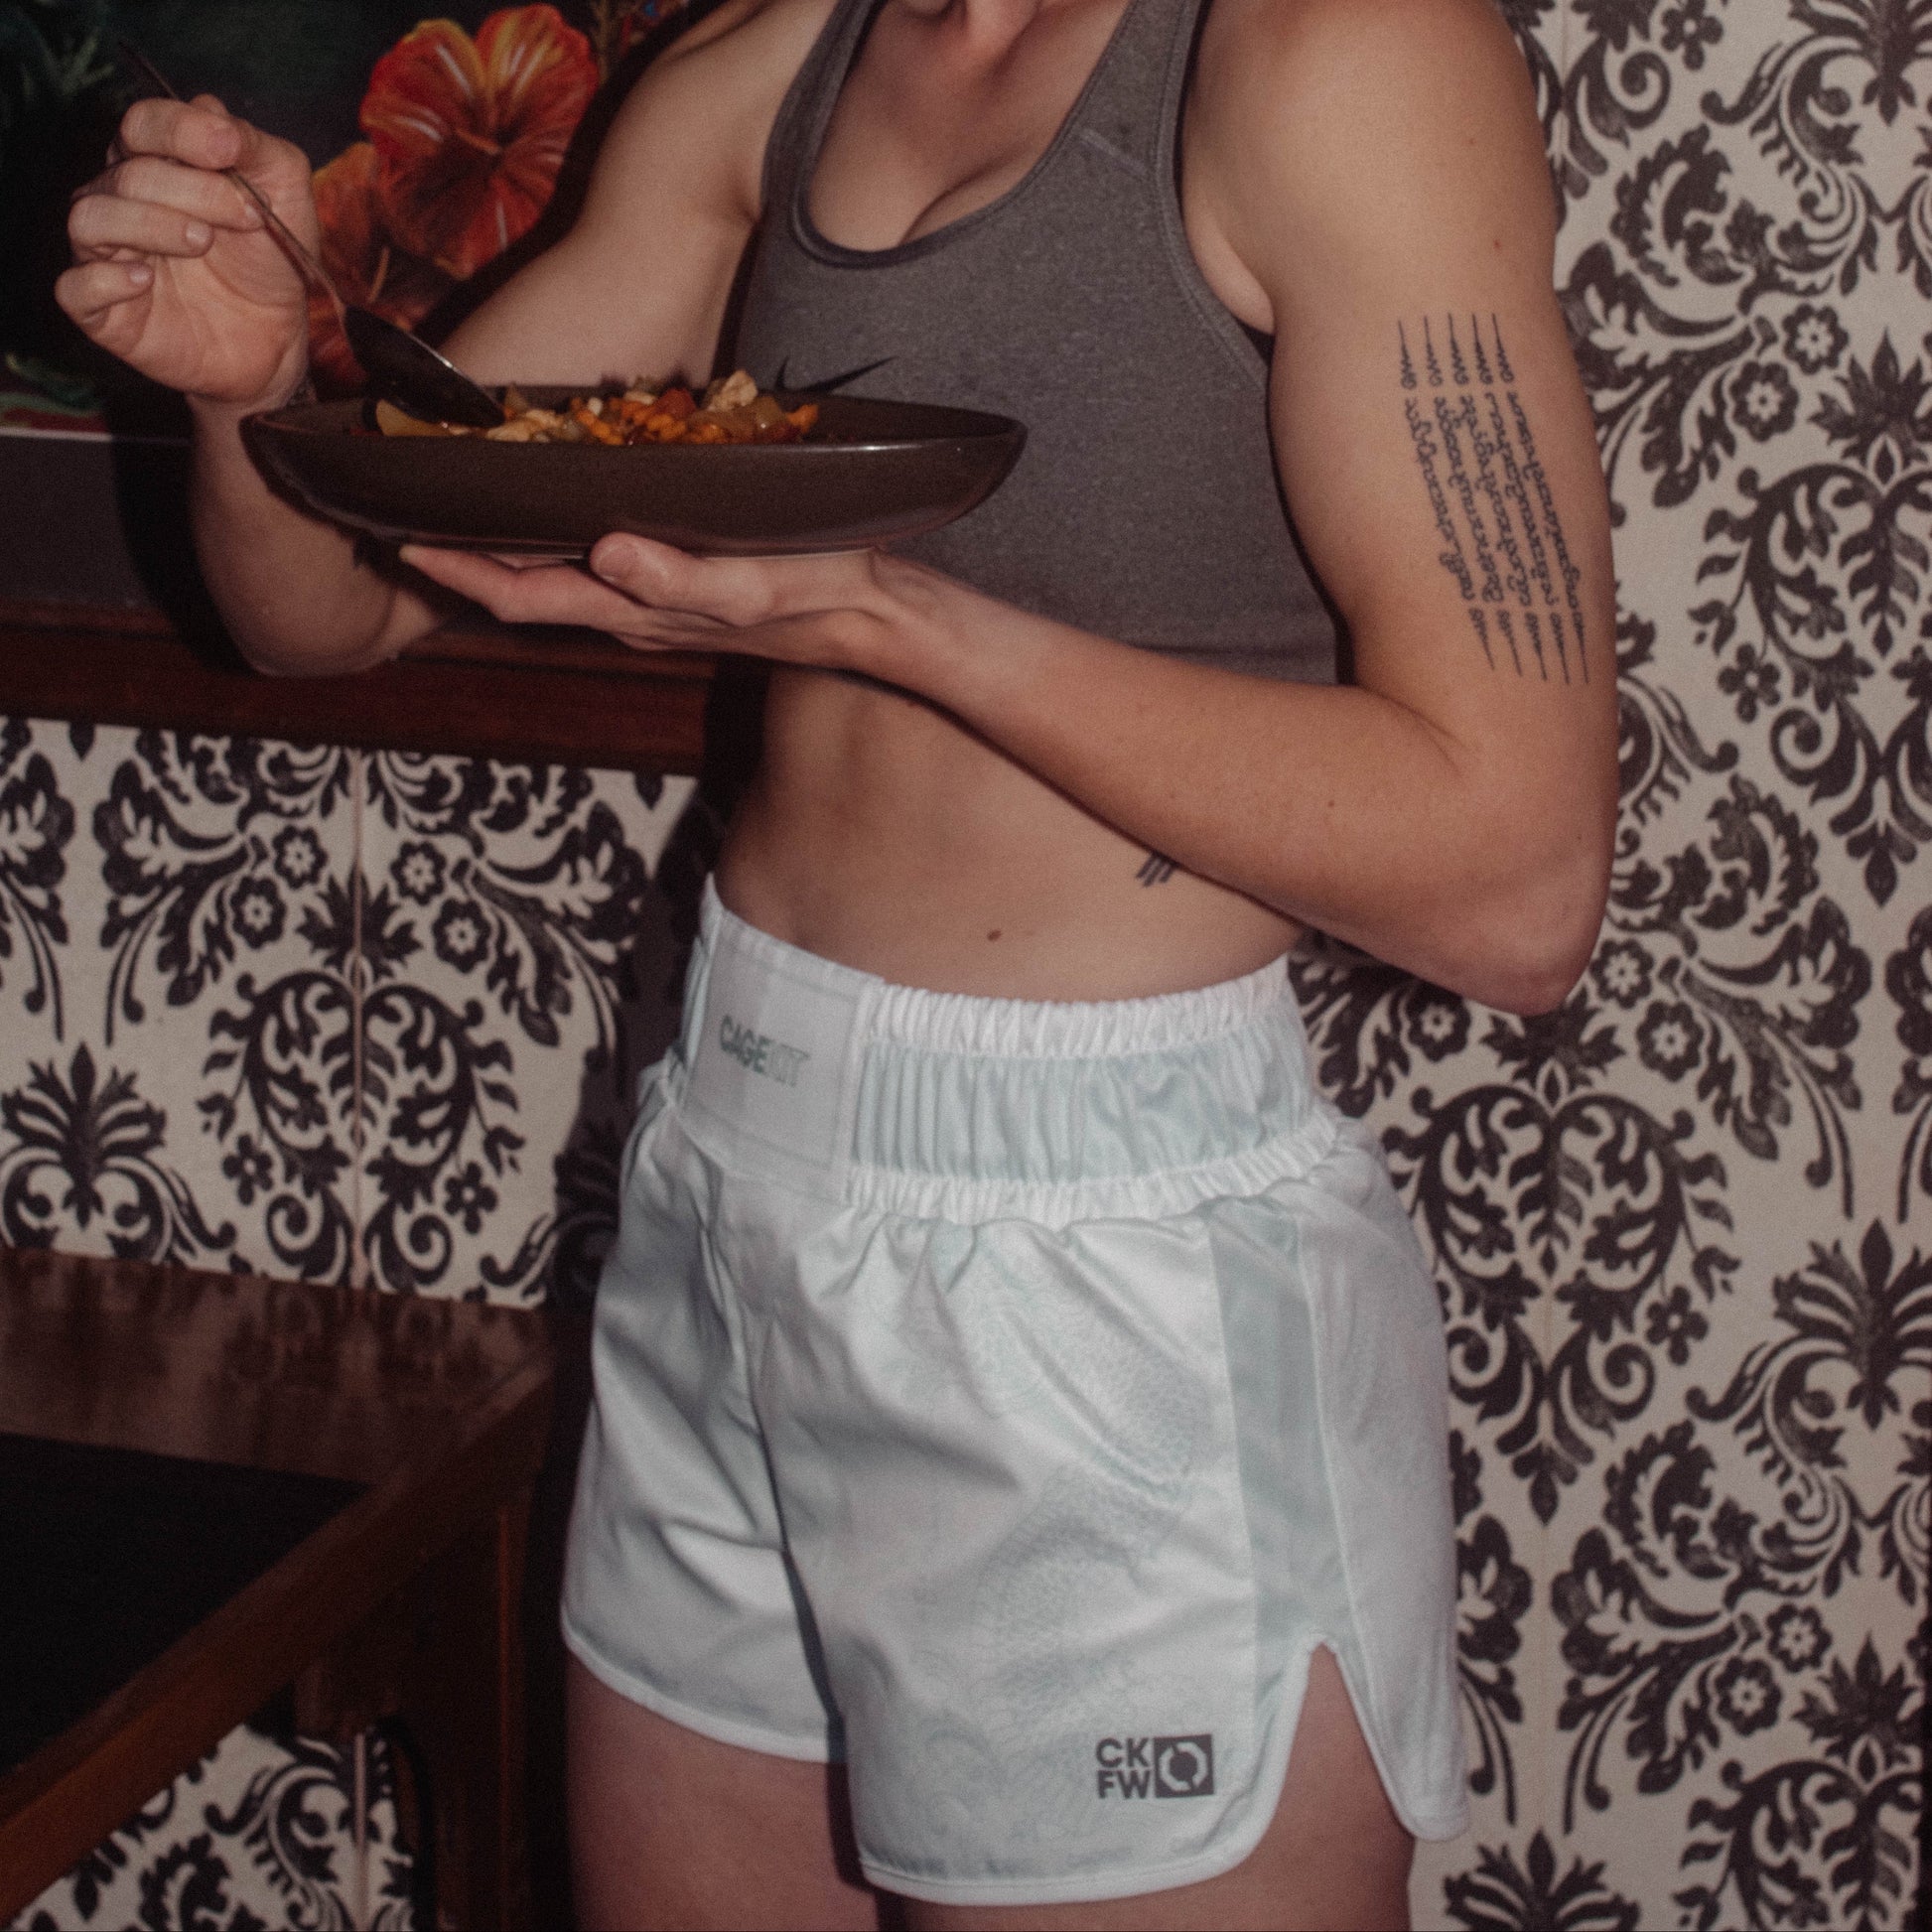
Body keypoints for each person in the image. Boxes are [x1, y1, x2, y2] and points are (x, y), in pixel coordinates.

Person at [60, 0, 1617, 1923]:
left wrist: (902, 620)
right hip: (730, 1179)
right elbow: (333, 602)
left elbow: (1520, 877)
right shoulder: (770, 61)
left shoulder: (1336, 53)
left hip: (1105, 1263)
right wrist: (245, 389)